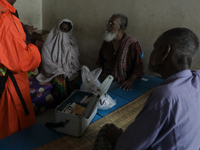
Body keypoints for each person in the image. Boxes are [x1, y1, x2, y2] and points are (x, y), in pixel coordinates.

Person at [93, 28, 200, 150]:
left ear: (165, 52)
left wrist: (120, 139)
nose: (152, 53)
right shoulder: (197, 80)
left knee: (105, 130)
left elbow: (129, 147)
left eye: (155, 48)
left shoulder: (165, 95)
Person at [0, 0, 41, 139]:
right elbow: (20, 62)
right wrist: (33, 49)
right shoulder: (5, 17)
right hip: (9, 84)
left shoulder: (8, 12)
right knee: (12, 132)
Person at [36, 19, 81, 104]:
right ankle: (62, 104)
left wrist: (72, 67)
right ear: (58, 28)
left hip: (68, 68)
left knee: (80, 77)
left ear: (69, 31)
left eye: (66, 30)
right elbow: (46, 60)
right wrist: (58, 70)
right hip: (53, 69)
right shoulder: (49, 41)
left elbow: (75, 57)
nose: (63, 31)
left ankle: (74, 101)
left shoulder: (72, 41)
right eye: (61, 29)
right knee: (61, 80)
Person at [96, 14, 144, 91]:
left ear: (120, 27)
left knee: (105, 93)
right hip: (104, 76)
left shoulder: (132, 44)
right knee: (85, 86)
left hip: (120, 80)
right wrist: (95, 76)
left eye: (111, 23)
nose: (107, 25)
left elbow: (139, 67)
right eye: (108, 22)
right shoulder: (107, 41)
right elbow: (99, 61)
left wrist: (131, 80)